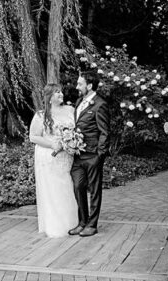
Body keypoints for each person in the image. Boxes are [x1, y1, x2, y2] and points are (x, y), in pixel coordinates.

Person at [28, 83, 80, 237]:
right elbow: (33, 137)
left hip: (67, 156)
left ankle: (73, 223)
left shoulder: (70, 110)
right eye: (57, 92)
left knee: (68, 188)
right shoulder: (41, 115)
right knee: (54, 190)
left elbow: (78, 130)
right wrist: (53, 144)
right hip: (50, 157)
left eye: (61, 91)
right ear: (49, 98)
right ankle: (57, 225)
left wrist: (73, 141)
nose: (61, 94)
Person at [69, 70, 110, 237]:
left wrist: (100, 154)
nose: (77, 86)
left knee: (94, 190)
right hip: (78, 155)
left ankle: (92, 225)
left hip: (93, 155)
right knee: (78, 187)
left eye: (80, 84)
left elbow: (104, 132)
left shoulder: (100, 104)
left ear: (90, 85)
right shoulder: (80, 101)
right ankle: (82, 222)